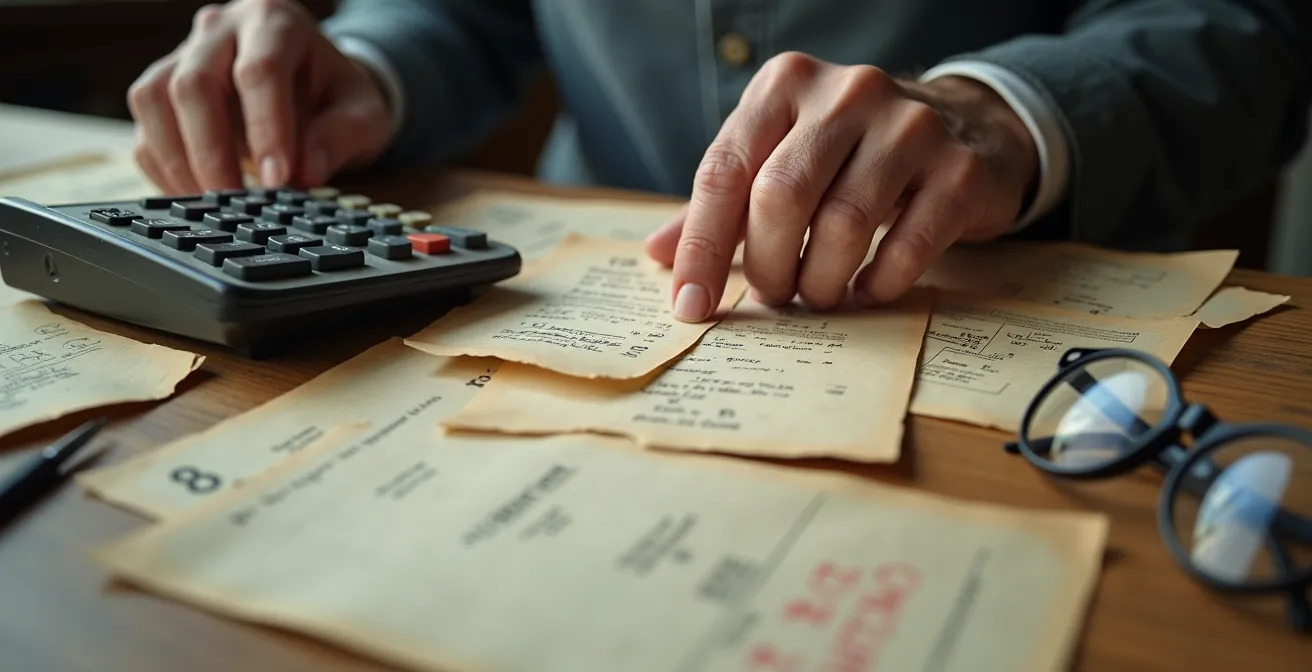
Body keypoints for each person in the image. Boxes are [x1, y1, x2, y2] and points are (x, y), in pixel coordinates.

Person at [126, 0, 1312, 321]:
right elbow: (469, 12)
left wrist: (1000, 113)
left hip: (1021, 305)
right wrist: (368, 64)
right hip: (553, 285)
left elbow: (1255, 24)